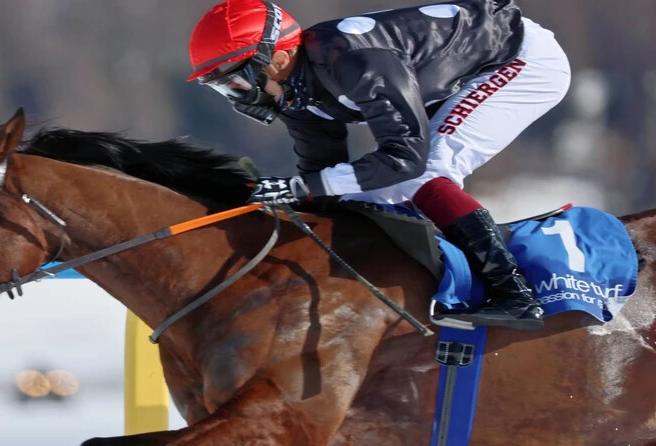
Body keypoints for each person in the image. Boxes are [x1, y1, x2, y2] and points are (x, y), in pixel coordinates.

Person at [186, 0, 571, 330]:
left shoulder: (355, 63)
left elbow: (405, 160)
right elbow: (322, 173)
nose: (236, 97)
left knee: (426, 171)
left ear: (278, 59)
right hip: (461, 70)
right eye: (222, 88)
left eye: (235, 82)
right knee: (380, 189)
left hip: (521, 61)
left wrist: (301, 187)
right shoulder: (295, 92)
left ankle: (514, 293)